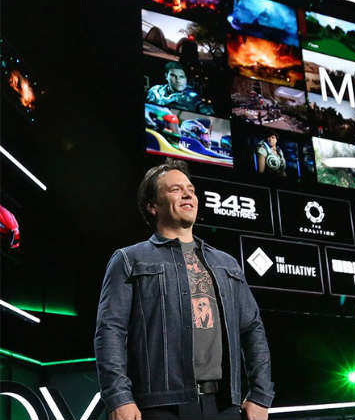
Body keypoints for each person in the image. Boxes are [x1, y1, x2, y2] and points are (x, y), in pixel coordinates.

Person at [94, 159, 274, 420]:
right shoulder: (129, 260)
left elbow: (252, 329)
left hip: (223, 405)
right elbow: (110, 330)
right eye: (175, 189)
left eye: (191, 189)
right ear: (152, 205)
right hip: (160, 406)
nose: (188, 194)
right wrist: (118, 397)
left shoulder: (226, 264)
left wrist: (260, 394)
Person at [146, 61, 213, 115]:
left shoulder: (193, 98)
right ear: (166, 76)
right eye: (173, 76)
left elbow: (205, 110)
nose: (178, 80)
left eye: (181, 77)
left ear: (186, 79)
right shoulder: (155, 90)